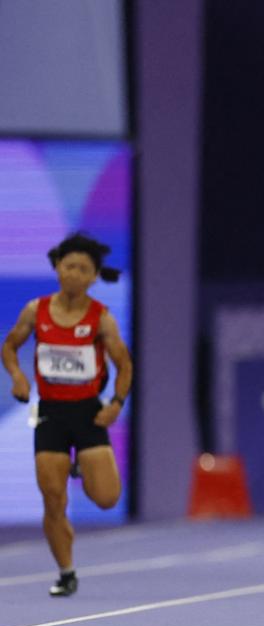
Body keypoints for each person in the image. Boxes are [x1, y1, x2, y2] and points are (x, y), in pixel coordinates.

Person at [1, 233, 132, 597]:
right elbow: (10, 347)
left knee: (106, 498)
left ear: (93, 277)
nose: (74, 274)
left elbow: (124, 365)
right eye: (68, 266)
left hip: (89, 415)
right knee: (53, 498)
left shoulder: (100, 319)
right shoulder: (35, 310)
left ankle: (82, 467)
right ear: (57, 268)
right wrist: (18, 376)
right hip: (51, 415)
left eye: (83, 269)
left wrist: (116, 404)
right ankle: (66, 571)